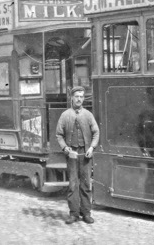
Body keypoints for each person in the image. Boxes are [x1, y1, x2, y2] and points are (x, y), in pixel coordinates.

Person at [56, 86, 100, 224]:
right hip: (72, 156)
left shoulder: (88, 115)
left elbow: (96, 133)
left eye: (81, 96)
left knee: (86, 184)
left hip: (85, 155)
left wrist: (92, 148)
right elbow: (59, 134)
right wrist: (66, 148)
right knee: (73, 184)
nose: (79, 99)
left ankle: (86, 213)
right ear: (72, 98)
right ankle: (74, 213)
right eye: (77, 96)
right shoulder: (65, 115)